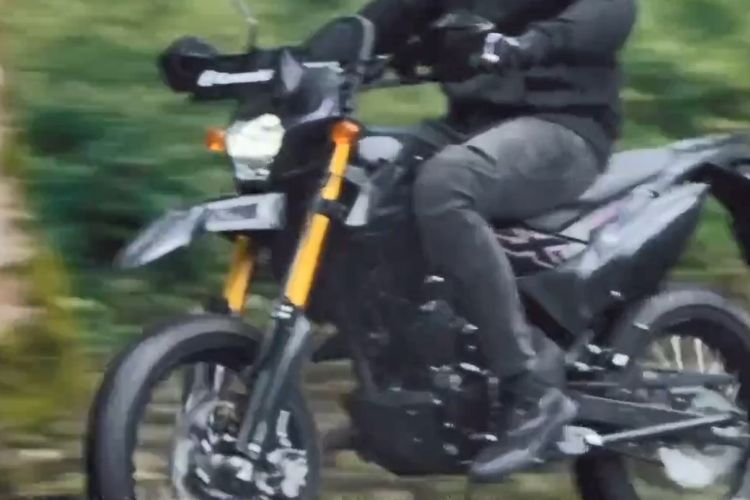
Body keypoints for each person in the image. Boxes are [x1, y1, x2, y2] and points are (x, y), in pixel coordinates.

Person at [356, 0, 637, 481]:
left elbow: (612, 9)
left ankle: (530, 387)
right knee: (367, 180)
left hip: (562, 126)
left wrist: (532, 44)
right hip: (469, 127)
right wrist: (286, 65)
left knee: (447, 183)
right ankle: (402, 373)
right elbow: (377, 22)